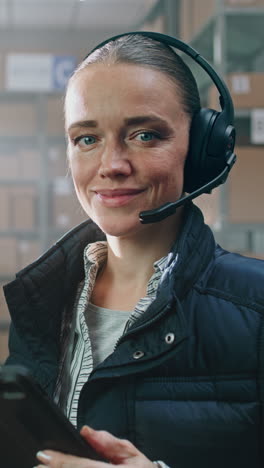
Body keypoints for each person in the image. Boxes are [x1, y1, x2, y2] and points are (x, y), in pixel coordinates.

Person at [3, 32, 264, 468]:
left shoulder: (255, 308)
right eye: (87, 139)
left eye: (145, 135)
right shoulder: (39, 303)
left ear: (202, 148)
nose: (111, 165)